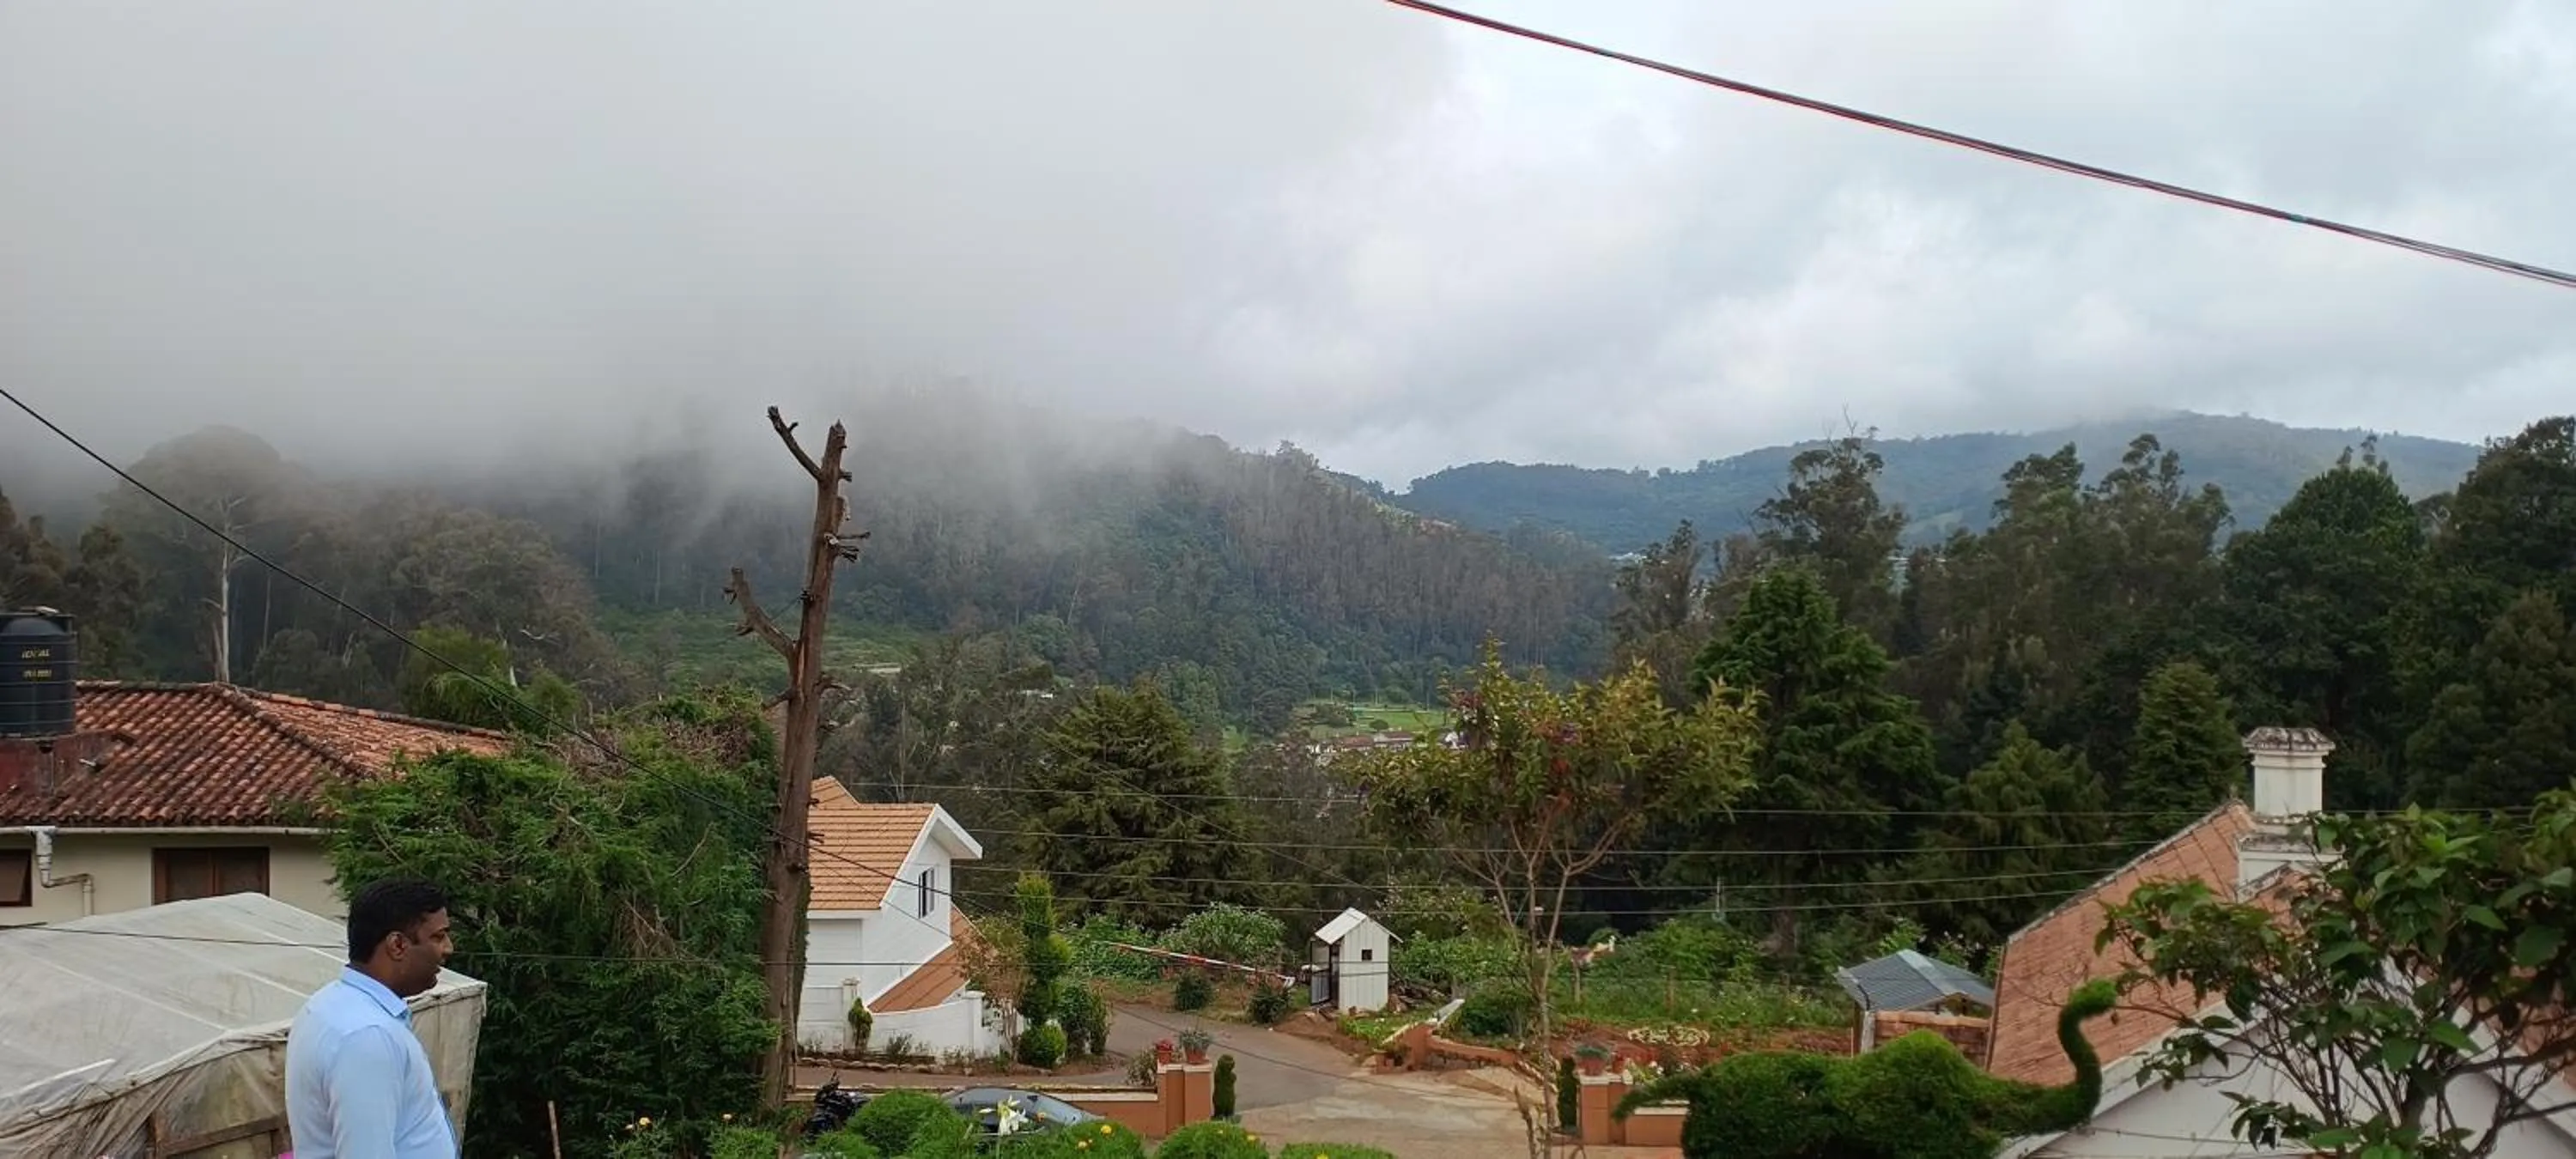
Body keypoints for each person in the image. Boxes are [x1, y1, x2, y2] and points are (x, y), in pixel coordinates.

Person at [284, 878, 459, 1158]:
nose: (448, 949)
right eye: (438, 937)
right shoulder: (367, 1035)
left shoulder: (327, 1006)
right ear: (398, 945)